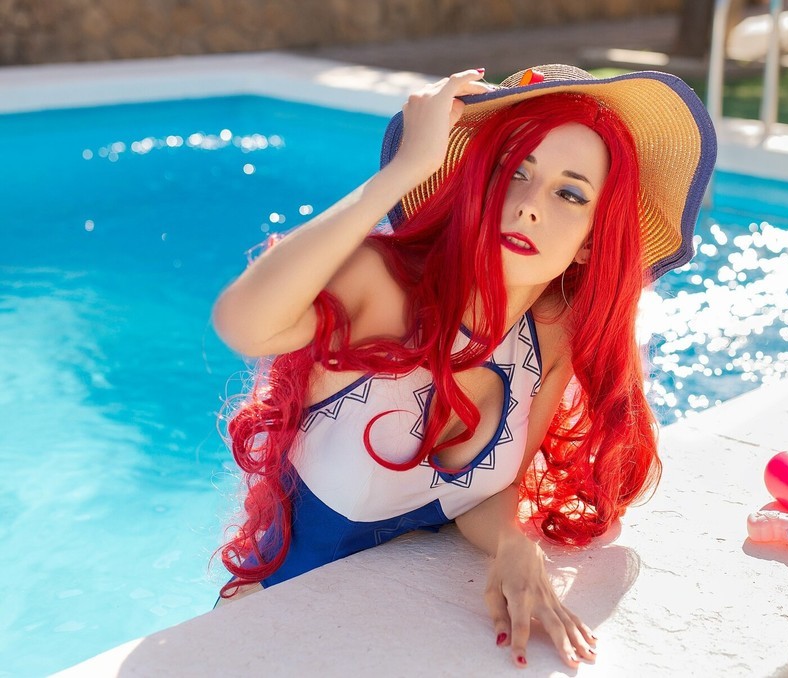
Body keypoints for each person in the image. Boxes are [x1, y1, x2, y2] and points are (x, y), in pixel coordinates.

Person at [211, 64, 715, 668]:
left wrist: (513, 545)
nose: (528, 207)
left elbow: (487, 493)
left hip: (395, 645)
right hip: (261, 641)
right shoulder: (386, 289)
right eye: (513, 172)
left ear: (590, 239)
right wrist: (403, 173)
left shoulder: (550, 335)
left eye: (569, 193)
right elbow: (242, 322)